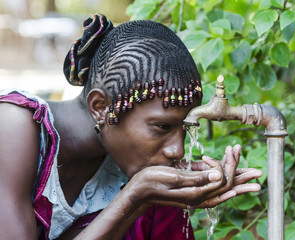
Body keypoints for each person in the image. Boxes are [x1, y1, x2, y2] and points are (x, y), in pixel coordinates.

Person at [0, 14, 262, 239]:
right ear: (101, 107)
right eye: (162, 126)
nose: (177, 151)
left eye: (184, 130)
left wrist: (147, 196)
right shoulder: (12, 126)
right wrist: (135, 196)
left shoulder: (130, 165)